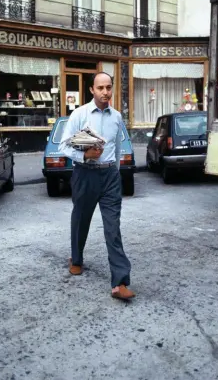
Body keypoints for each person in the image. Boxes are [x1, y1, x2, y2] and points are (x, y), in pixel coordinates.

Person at [59, 72, 135, 300]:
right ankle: (77, 258)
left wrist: (117, 173)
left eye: (108, 87)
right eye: (100, 88)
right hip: (85, 174)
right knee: (81, 220)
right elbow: (64, 146)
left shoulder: (117, 117)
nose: (105, 92)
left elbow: (118, 147)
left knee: (113, 228)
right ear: (92, 90)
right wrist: (85, 156)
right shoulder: (79, 114)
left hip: (110, 176)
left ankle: (119, 282)